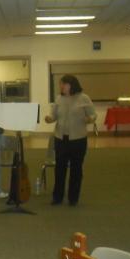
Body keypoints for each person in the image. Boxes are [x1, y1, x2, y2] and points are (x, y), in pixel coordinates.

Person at [44, 75, 96, 206]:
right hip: (61, 138)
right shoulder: (59, 99)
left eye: (64, 84)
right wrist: (49, 118)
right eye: (60, 84)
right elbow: (53, 115)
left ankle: (73, 198)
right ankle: (57, 197)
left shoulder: (84, 98)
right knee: (59, 169)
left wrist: (89, 119)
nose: (61, 86)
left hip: (78, 139)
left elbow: (93, 114)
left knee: (76, 169)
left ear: (72, 85)